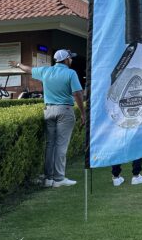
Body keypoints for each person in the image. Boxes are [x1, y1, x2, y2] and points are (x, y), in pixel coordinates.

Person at [9, 49, 85, 188]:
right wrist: (83, 113)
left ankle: (48, 178)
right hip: (65, 111)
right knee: (61, 145)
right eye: (70, 58)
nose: (72, 60)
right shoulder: (70, 73)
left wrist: (18, 64)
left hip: (49, 111)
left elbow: (29, 70)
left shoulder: (46, 71)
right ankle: (59, 178)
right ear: (66, 60)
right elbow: (78, 94)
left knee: (50, 145)